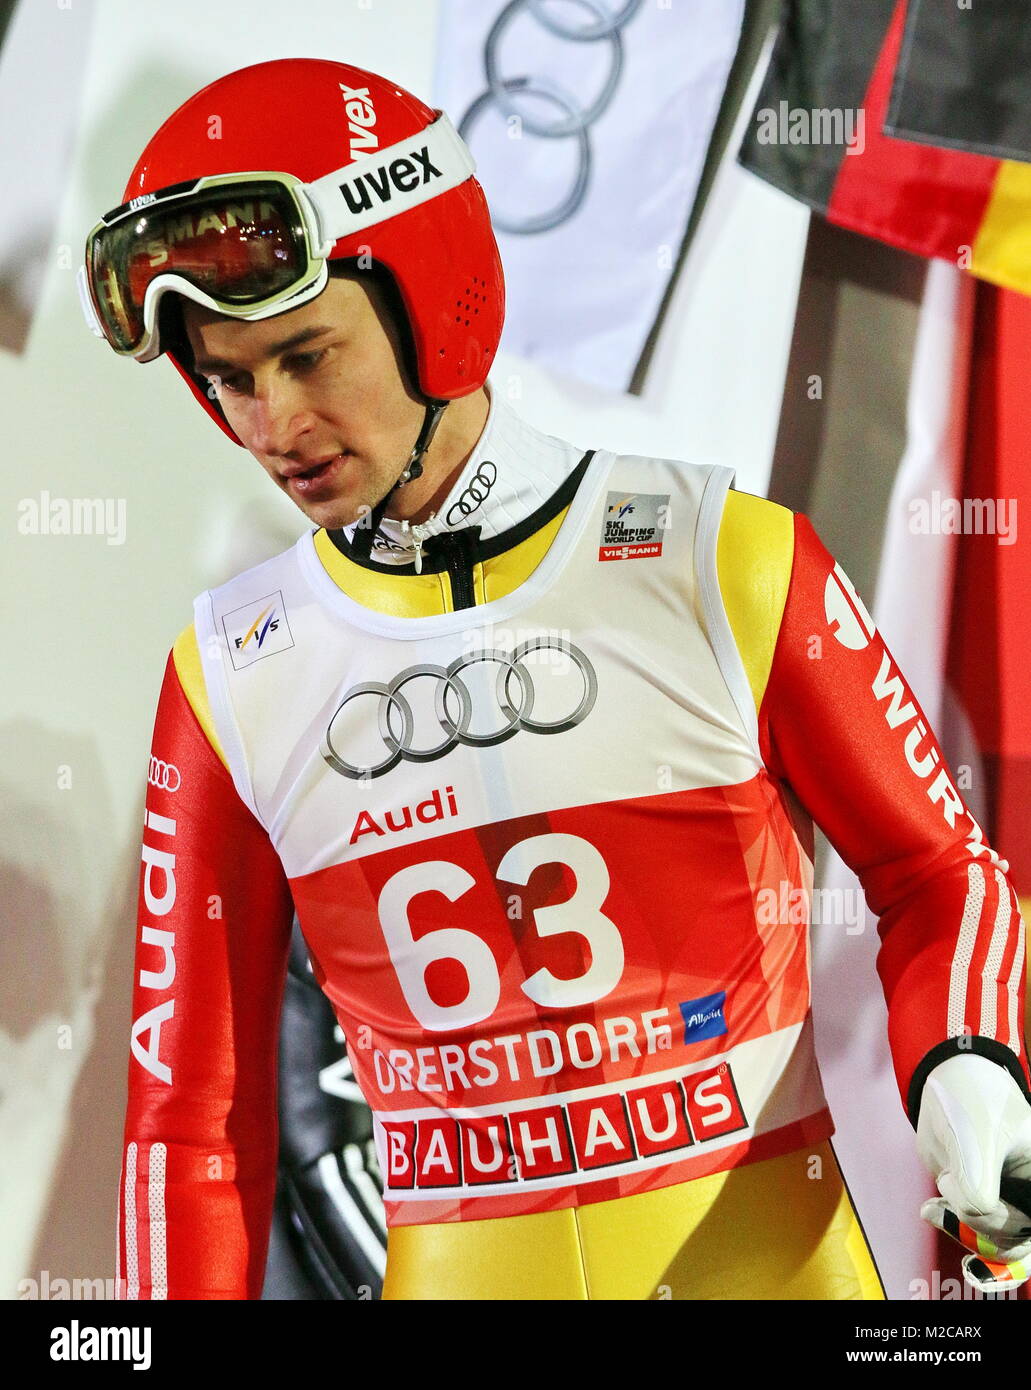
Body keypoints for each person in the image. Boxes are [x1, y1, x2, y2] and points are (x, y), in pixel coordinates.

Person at [81, 56, 1031, 1301]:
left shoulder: (719, 558)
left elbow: (934, 875)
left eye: (307, 355)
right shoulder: (224, 675)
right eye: (230, 377)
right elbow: (188, 1122)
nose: (271, 422)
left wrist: (972, 1062)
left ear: (437, 301)